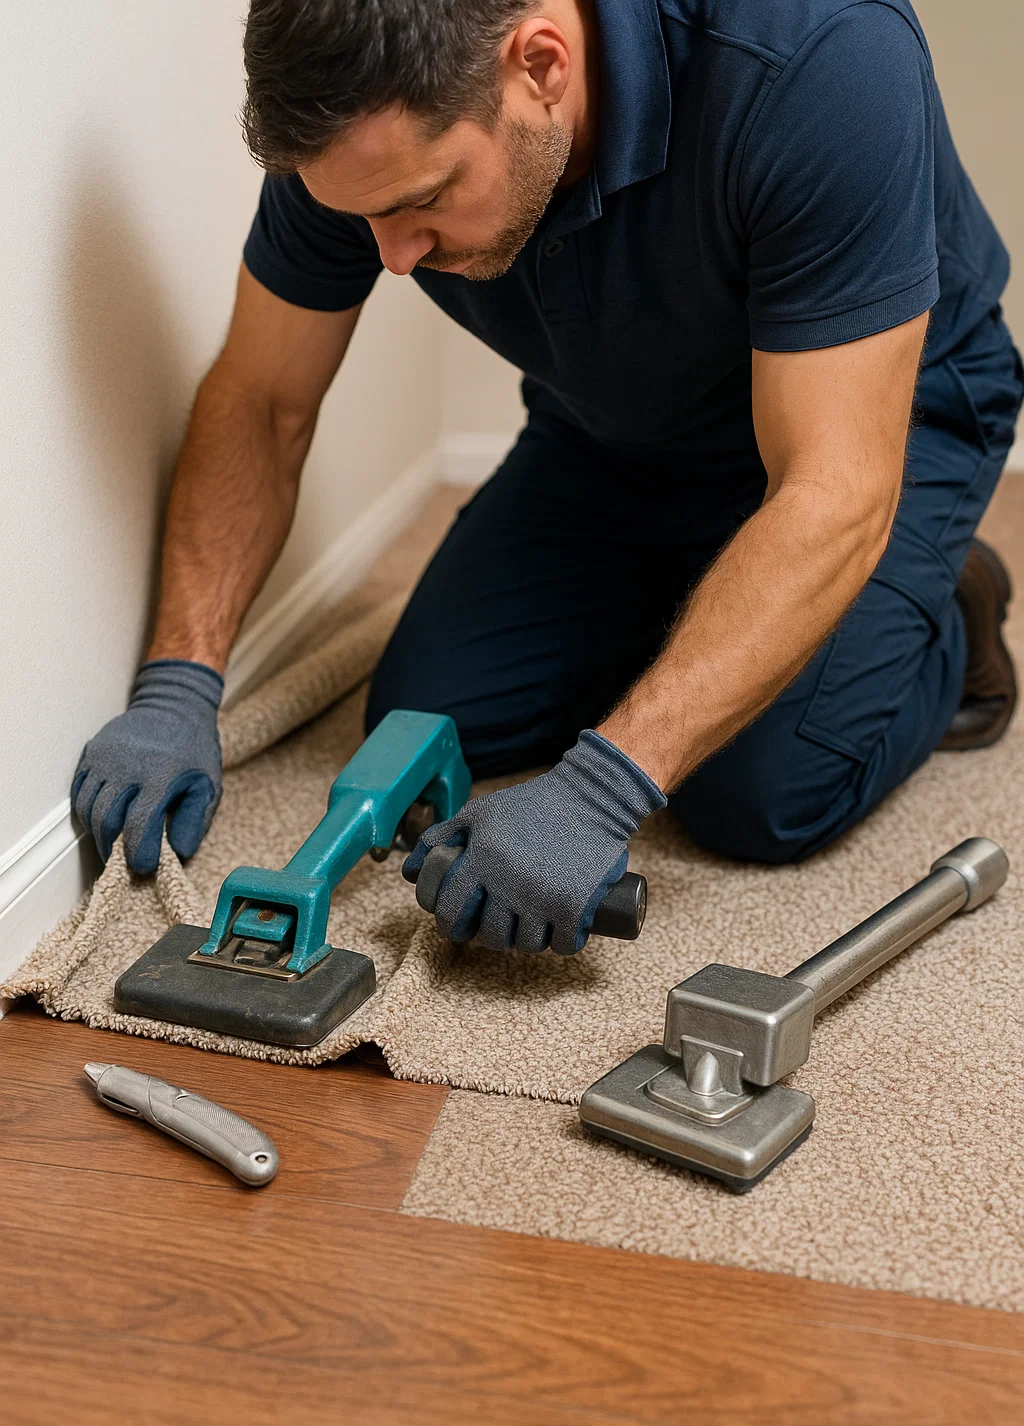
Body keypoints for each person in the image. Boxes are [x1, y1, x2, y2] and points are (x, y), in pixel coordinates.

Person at [73, 0, 1023, 957]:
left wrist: (603, 789)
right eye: (363, 218)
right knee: (427, 720)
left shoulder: (822, 61)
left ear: (540, 64)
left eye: (423, 201)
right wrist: (177, 683)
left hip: (879, 431)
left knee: (757, 796)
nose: (393, 258)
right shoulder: (360, 136)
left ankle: (946, 603)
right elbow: (264, 398)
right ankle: (716, 604)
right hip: (612, 435)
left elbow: (832, 488)